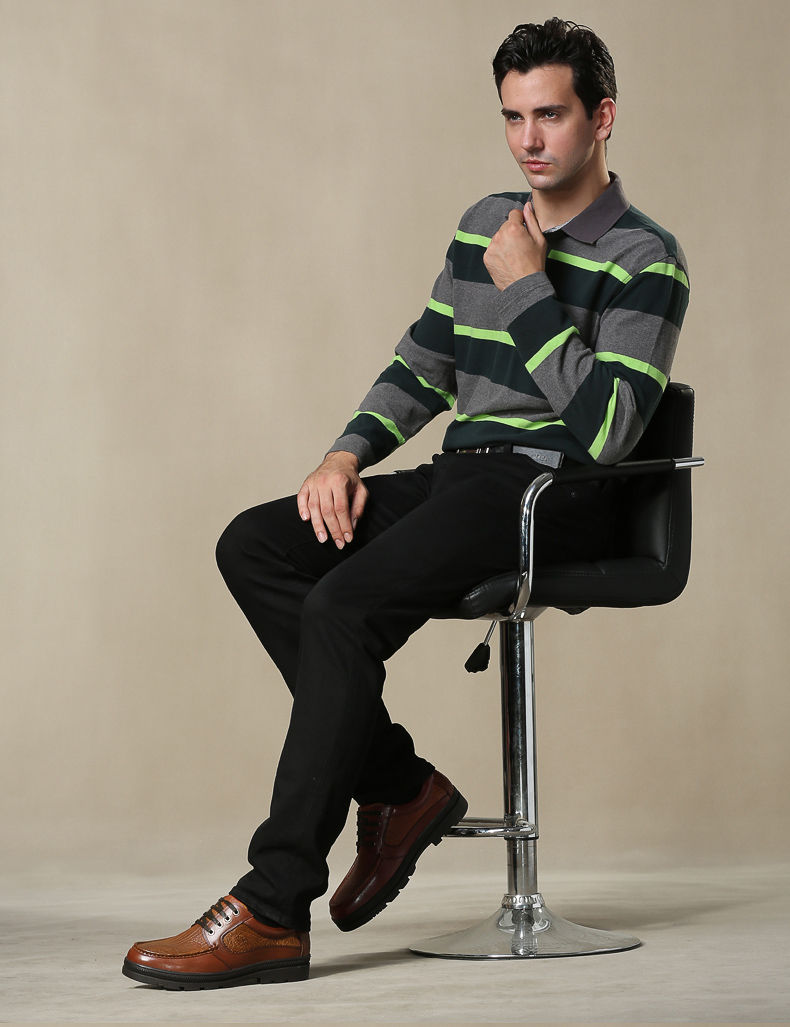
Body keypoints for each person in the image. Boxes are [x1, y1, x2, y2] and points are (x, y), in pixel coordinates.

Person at [123, 18, 689, 989]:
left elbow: (606, 430)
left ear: (601, 118)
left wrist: (527, 292)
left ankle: (273, 906)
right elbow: (424, 363)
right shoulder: (485, 226)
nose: (528, 139)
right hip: (464, 475)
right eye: (512, 116)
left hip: (554, 490)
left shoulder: (647, 258)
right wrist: (344, 453)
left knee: (341, 607)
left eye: (550, 115)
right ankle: (396, 784)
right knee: (257, 545)